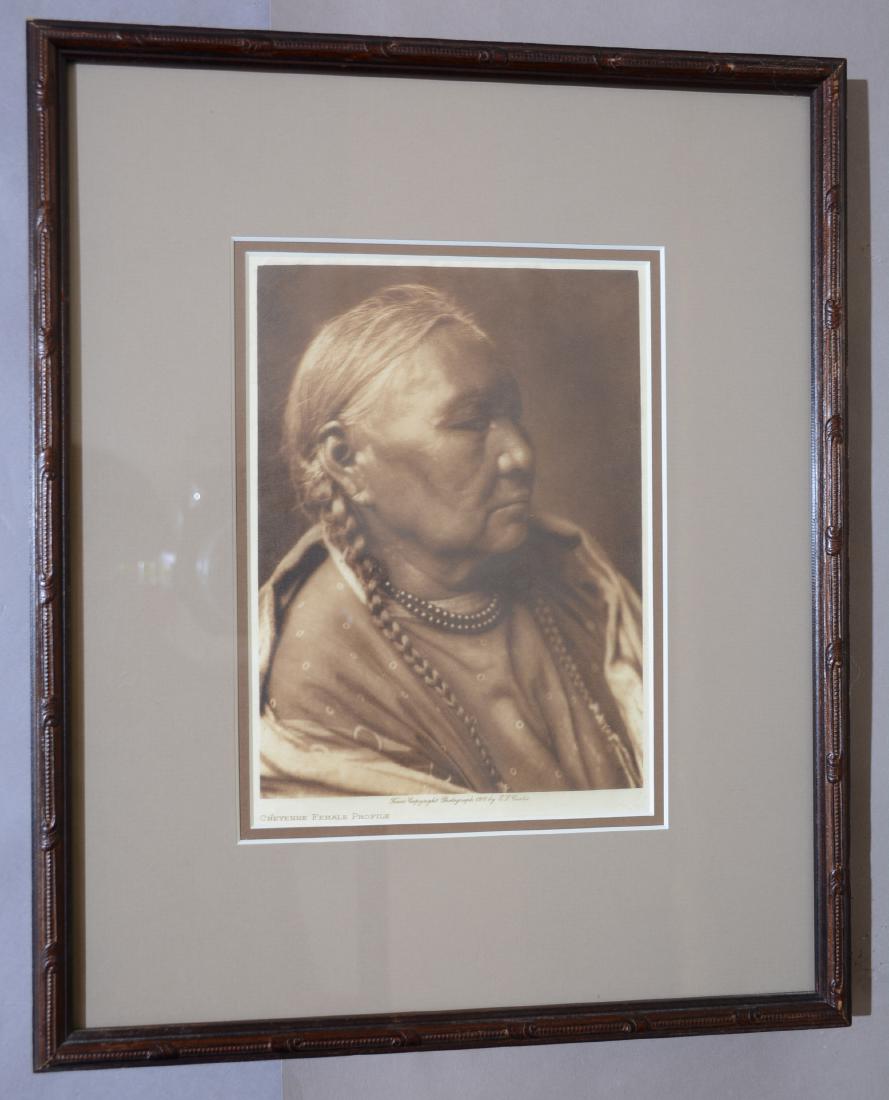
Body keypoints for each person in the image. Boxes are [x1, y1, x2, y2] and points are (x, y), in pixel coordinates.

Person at [259, 284, 643, 798]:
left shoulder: (580, 582)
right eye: (470, 423)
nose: (520, 455)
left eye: (512, 414)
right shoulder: (322, 680)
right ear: (346, 459)